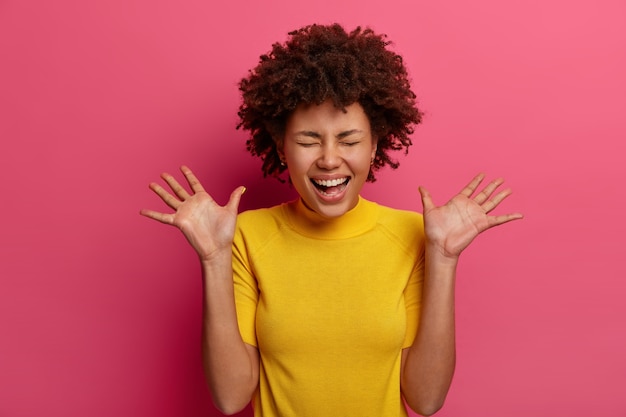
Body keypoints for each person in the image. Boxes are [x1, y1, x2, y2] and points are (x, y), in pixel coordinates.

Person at [140, 23, 523, 417]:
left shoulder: (413, 235)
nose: (328, 158)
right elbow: (231, 397)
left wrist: (443, 258)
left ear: (375, 145)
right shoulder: (245, 237)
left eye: (349, 140)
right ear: (281, 147)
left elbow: (426, 400)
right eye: (308, 140)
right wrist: (213, 259)